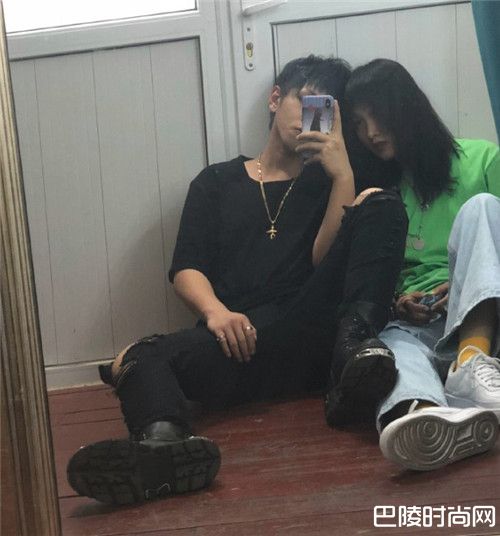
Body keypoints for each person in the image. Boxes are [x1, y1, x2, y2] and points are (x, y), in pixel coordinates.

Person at [67, 55, 409, 505]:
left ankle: (351, 359)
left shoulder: (329, 182)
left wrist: (342, 174)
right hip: (240, 340)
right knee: (138, 355)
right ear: (275, 99)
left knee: (380, 205)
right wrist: (216, 313)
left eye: (326, 111)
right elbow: (186, 268)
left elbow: (323, 261)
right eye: (307, 102)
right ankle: (162, 449)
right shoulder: (216, 182)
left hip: (313, 335)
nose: (312, 119)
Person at [340, 58, 500, 472]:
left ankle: (472, 357)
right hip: (421, 324)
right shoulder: (384, 192)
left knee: (482, 207)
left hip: (486, 315)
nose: (370, 133)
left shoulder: (483, 159)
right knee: (393, 350)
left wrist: (463, 278)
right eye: (359, 123)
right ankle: (427, 418)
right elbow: (374, 273)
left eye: (378, 116)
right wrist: (399, 300)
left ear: (406, 107)